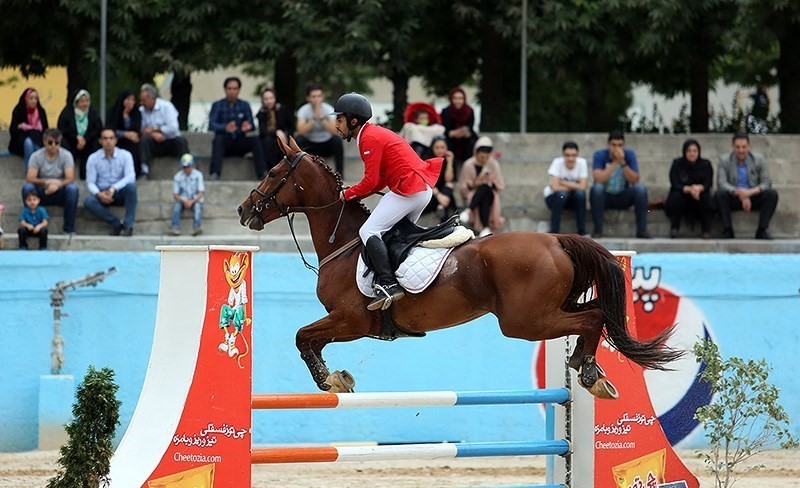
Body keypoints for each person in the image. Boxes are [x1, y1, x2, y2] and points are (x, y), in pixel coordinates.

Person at [334, 93, 442, 311]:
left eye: (339, 119)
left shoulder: (368, 138)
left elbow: (371, 180)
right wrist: (356, 193)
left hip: (409, 190)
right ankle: (402, 281)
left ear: (353, 120)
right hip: (420, 190)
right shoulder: (372, 134)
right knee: (395, 235)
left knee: (369, 231)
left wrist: (347, 194)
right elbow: (380, 180)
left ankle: (389, 284)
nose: (336, 125)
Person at [715, 132, 779, 239]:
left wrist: (749, 193)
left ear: (749, 146)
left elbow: (766, 182)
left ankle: (762, 230)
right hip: (734, 196)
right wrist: (740, 193)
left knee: (772, 194)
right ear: (733, 147)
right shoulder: (724, 160)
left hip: (753, 195)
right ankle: (728, 230)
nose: (741, 150)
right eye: (738, 147)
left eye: (744, 147)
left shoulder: (759, 159)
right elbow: (722, 183)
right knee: (719, 194)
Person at [590, 130, 650, 238]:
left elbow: (635, 180)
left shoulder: (629, 155)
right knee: (596, 189)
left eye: (619, 145)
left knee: (640, 189)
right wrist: (615, 162)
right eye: (613, 145)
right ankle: (598, 230)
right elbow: (599, 179)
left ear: (624, 145)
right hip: (605, 197)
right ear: (608, 145)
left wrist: (622, 163)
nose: (616, 148)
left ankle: (642, 230)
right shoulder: (599, 155)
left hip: (623, 196)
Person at [22, 128, 79, 235]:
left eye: (57, 143)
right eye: (50, 142)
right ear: (44, 142)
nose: (53, 145)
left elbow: (70, 178)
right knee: (27, 188)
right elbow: (30, 178)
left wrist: (58, 185)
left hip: (60, 190)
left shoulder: (66, 155)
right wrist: (47, 182)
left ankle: (69, 228)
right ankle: (30, 225)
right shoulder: (36, 156)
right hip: (41, 192)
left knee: (73, 189)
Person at [208, 76, 267, 180]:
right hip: (225, 143)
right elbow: (212, 125)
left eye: (234, 89)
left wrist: (247, 127)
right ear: (225, 89)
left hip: (240, 141)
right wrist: (225, 128)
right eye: (229, 88)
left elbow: (251, 124)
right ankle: (215, 173)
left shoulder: (244, 105)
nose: (232, 91)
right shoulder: (217, 105)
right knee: (218, 139)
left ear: (239, 90)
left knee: (255, 140)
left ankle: (262, 173)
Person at [83, 128, 137, 236]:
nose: (108, 141)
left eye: (111, 138)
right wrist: (99, 194)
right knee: (88, 201)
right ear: (100, 141)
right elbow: (90, 182)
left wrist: (114, 188)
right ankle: (117, 223)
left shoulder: (125, 155)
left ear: (116, 140)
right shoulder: (93, 158)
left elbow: (131, 176)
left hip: (119, 192)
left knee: (131, 188)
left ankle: (129, 225)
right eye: (105, 138)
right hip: (101, 192)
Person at [664, 139, 713, 239]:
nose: (692, 154)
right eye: (689, 151)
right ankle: (674, 228)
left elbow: (708, 183)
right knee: (676, 196)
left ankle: (706, 230)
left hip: (699, 197)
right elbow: (674, 183)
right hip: (682, 196)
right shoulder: (677, 164)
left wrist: (699, 188)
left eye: (695, 151)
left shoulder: (705, 164)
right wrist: (687, 189)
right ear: (684, 152)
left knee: (706, 197)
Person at [458, 136, 505, 237]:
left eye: (487, 157)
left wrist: (487, 182)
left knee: (486, 188)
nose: (484, 160)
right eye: (481, 157)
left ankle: (468, 211)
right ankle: (485, 227)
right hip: (473, 193)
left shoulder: (493, 164)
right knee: (484, 193)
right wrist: (476, 183)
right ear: (476, 154)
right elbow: (464, 187)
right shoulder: (469, 164)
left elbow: (499, 184)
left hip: (490, 192)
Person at [139, 83, 189, 179]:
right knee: (144, 141)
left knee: (181, 141)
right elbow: (142, 130)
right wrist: (153, 134)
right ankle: (144, 170)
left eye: (144, 100)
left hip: (169, 140)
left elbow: (173, 128)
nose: (142, 103)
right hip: (154, 142)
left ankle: (186, 170)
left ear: (152, 98)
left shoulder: (167, 107)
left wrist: (156, 129)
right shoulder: (141, 111)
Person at [295, 84, 344, 176]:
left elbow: (334, 131)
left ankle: (340, 174)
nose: (316, 99)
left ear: (322, 97)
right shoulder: (303, 110)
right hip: (310, 145)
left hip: (326, 144)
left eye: (318, 96)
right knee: (298, 139)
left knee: (337, 141)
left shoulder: (329, 109)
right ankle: (298, 173)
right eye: (313, 97)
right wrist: (314, 118)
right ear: (308, 98)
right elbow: (300, 131)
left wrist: (321, 118)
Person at [544, 141, 588, 235]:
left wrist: (562, 182)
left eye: (573, 155)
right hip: (554, 199)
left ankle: (582, 231)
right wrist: (575, 186)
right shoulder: (557, 162)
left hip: (573, 199)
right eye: (567, 155)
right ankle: (554, 230)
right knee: (562, 195)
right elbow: (555, 187)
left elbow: (583, 187)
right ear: (562, 155)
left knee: (580, 195)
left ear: (577, 155)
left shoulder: (582, 163)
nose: (570, 158)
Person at [57, 89, 102, 180]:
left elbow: (98, 129)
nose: (85, 104)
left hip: (88, 141)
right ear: (76, 102)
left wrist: (85, 139)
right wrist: (76, 137)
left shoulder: (93, 113)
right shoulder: (67, 113)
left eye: (87, 101)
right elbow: (62, 129)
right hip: (71, 141)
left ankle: (88, 176)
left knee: (95, 145)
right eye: (82, 101)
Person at [9, 88, 49, 171]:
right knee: (28, 143)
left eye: (36, 98)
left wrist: (27, 128)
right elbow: (13, 131)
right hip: (20, 141)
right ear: (26, 99)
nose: (34, 101)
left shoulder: (41, 111)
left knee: (36, 144)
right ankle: (30, 171)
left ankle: (40, 171)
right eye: (31, 98)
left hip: (39, 139)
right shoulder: (19, 110)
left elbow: (45, 130)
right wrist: (26, 130)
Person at [107, 89, 143, 177]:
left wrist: (126, 116)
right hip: (116, 139)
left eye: (133, 99)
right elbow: (110, 128)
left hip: (130, 141)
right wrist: (125, 134)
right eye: (128, 99)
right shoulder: (113, 112)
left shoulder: (136, 113)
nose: (130, 102)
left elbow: (135, 130)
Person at [256, 87, 293, 171]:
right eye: (266, 99)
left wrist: (285, 134)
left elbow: (290, 126)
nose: (269, 101)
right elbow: (263, 131)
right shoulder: (261, 113)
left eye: (271, 98)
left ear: (275, 98)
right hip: (268, 139)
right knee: (268, 141)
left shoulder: (282, 110)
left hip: (283, 138)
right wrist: (276, 132)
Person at [423, 136, 458, 222]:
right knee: (444, 201)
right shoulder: (427, 160)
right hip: (431, 192)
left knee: (449, 185)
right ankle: (442, 210)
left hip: (445, 192)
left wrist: (450, 163)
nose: (440, 150)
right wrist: (439, 196)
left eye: (442, 147)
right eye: (437, 147)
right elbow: (428, 182)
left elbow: (448, 180)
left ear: (447, 148)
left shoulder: (449, 160)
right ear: (433, 148)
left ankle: (441, 207)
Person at [440, 86, 478, 165]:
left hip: (465, 140)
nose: (458, 101)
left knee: (471, 143)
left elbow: (470, 127)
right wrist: (453, 133)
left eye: (460, 98)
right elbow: (444, 129)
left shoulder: (469, 111)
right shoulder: (446, 112)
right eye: (455, 98)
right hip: (450, 139)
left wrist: (464, 132)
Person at [169, 154, 205, 236]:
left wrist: (192, 201)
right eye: (184, 167)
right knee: (176, 207)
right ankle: (175, 227)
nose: (186, 169)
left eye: (188, 167)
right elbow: (175, 194)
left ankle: (197, 227)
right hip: (182, 199)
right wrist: (184, 201)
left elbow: (201, 192)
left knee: (197, 207)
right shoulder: (178, 176)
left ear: (192, 166)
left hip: (195, 199)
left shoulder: (198, 175)